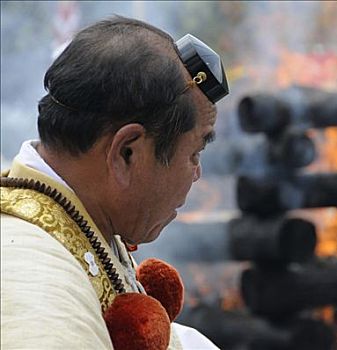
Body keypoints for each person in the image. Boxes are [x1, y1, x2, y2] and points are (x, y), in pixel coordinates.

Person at [1, 15, 228, 349]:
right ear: (127, 153)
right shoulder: (39, 297)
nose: (197, 174)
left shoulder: (78, 218)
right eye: (194, 154)